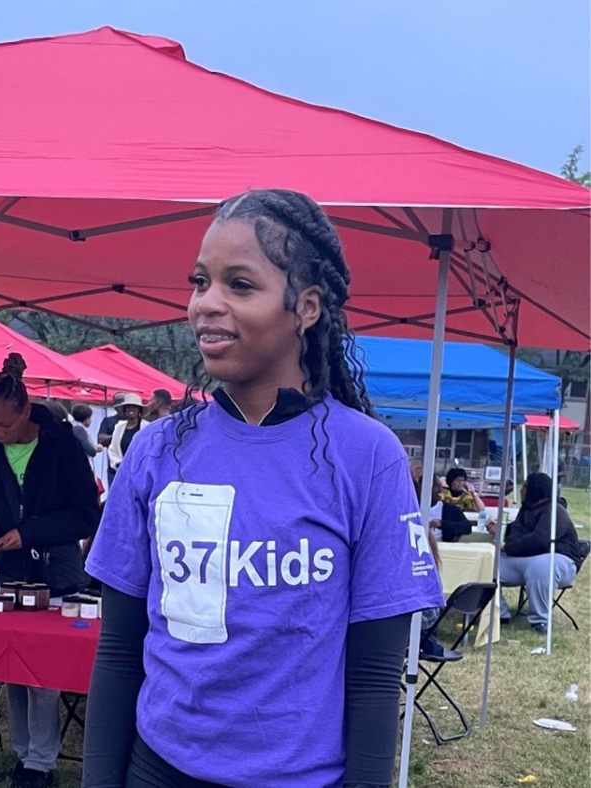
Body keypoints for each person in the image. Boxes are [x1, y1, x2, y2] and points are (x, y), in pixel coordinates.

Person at [82, 189, 443, 788]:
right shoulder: (155, 450)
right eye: (201, 282)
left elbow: (377, 676)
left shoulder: (368, 457)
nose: (206, 305)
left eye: (239, 285)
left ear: (305, 307)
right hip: (159, 768)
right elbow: (119, 650)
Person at [0, 353, 99, 788]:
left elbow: (84, 516)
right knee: (14, 669)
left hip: (58, 571)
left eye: (5, 425)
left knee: (43, 671)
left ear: (26, 410)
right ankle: (24, 755)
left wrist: (31, 532)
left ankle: (41, 763)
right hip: (12, 573)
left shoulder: (62, 444)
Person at [493, 472, 582, 633]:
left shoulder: (555, 511)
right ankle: (499, 613)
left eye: (525, 487)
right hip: (525, 559)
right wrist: (501, 531)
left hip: (560, 560)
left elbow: (539, 540)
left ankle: (539, 620)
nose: (521, 491)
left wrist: (507, 547)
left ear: (535, 490)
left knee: (541, 566)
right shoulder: (525, 510)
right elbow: (517, 536)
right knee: (488, 562)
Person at [417, 475, 470, 543]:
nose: (440, 490)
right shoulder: (411, 508)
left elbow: (467, 527)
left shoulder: (450, 509)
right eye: (435, 486)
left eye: (440, 486)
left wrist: (442, 524)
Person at [106, 394, 147, 474]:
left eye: (134, 407)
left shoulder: (146, 427)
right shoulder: (119, 427)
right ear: (124, 410)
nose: (131, 409)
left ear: (139, 410)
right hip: (122, 471)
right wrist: (119, 464)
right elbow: (112, 449)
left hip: (141, 471)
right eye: (128, 407)